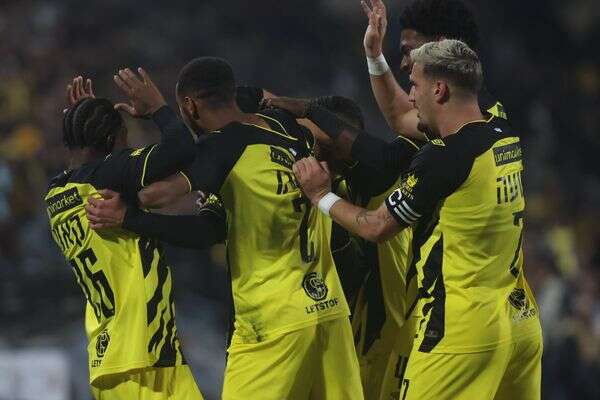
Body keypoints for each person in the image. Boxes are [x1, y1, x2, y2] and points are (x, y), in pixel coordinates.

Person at [86, 57, 363, 400]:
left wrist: (123, 201)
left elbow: (155, 195)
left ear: (190, 106)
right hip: (328, 309)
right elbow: (210, 228)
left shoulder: (220, 147)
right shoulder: (285, 125)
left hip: (272, 318)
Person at [286, 40, 543, 400]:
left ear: (439, 90)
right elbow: (398, 114)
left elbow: (376, 226)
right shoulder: (502, 131)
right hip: (519, 321)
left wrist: (320, 195)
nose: (409, 96)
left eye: (414, 85)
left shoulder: (443, 158)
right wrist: (373, 58)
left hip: (460, 328)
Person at [45, 73, 205, 399]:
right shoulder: (108, 174)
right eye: (123, 137)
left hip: (108, 359)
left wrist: (85, 119)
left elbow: (85, 160)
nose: (127, 145)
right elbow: (181, 148)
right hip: (143, 355)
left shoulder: (56, 193)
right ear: (110, 140)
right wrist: (158, 108)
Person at [362, 0, 507, 142]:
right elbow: (402, 115)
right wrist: (374, 53)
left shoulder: (463, 119)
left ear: (441, 46)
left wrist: (374, 55)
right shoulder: (481, 107)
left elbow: (400, 117)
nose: (403, 64)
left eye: (409, 51)